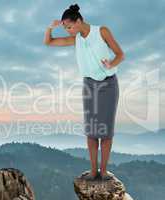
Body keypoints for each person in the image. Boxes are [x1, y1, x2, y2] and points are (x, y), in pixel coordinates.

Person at [43, 3, 125, 181]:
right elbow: (48, 42)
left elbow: (120, 54)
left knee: (106, 130)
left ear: (79, 21)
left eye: (69, 26)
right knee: (91, 130)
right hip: (89, 85)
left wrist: (112, 64)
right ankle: (94, 171)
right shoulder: (76, 39)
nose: (68, 31)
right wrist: (50, 27)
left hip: (108, 85)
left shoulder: (102, 31)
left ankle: (103, 172)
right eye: (65, 27)